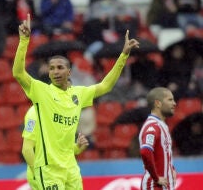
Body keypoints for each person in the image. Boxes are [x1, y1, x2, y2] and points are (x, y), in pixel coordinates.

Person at [13, 14, 139, 189]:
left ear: (69, 71)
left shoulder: (78, 94)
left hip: (70, 168)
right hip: (49, 170)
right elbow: (18, 73)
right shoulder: (41, 92)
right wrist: (24, 41)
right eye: (51, 68)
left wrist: (123, 55)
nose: (55, 71)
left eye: (60, 67)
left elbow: (105, 86)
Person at [22, 106, 90, 189]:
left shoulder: (57, 109)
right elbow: (27, 150)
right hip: (47, 173)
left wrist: (77, 147)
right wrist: (38, 173)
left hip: (66, 172)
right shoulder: (33, 115)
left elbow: (60, 147)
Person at [138, 87, 177, 189]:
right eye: (170, 100)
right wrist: (156, 178)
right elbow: (145, 151)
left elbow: (163, 153)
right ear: (158, 103)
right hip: (154, 186)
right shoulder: (153, 126)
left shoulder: (162, 125)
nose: (174, 103)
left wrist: (171, 169)